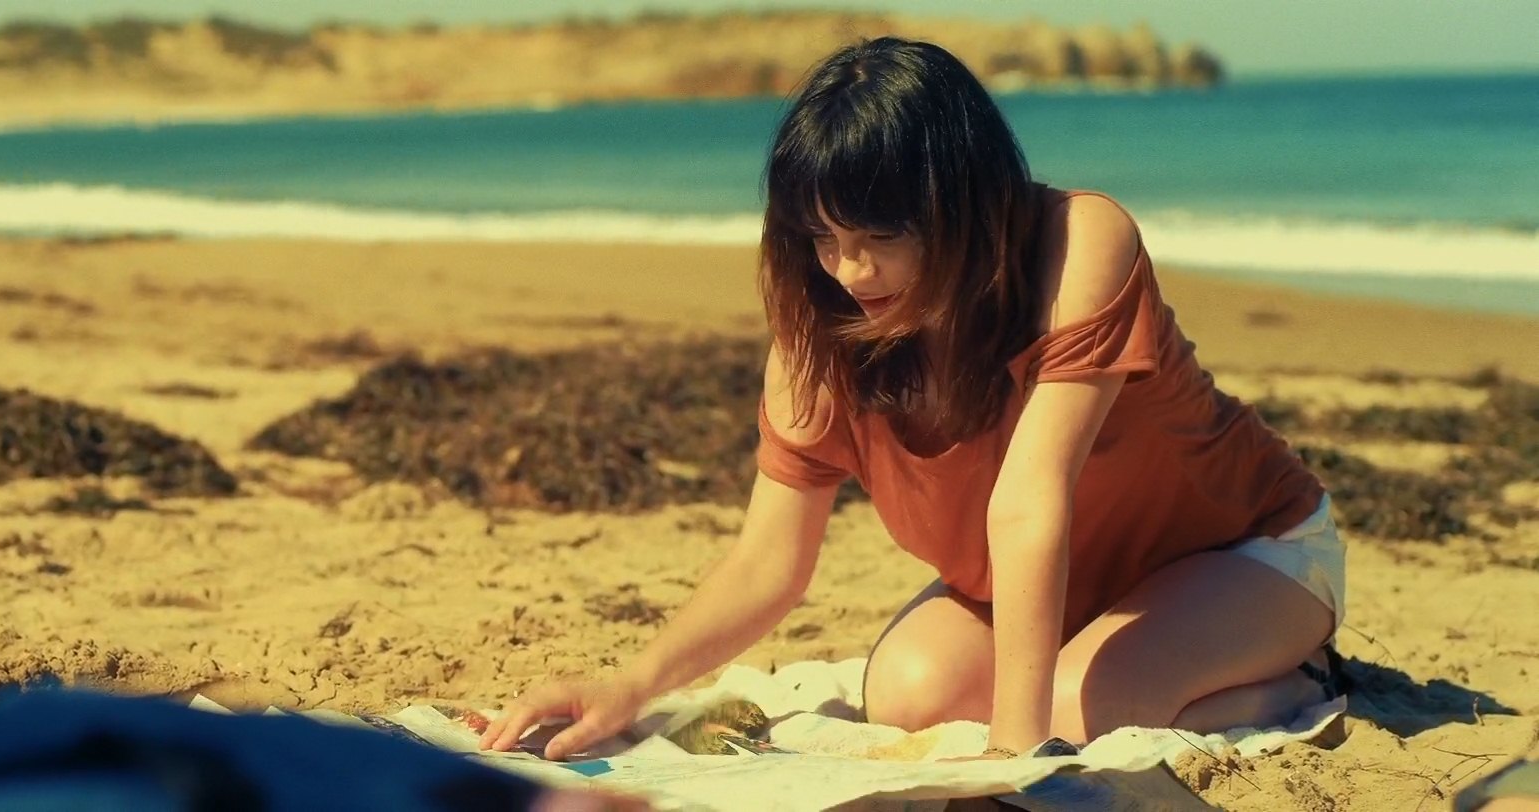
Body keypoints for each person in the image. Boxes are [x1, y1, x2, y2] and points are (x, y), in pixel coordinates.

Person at [479, 36, 1347, 762]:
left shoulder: (1078, 243)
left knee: (1070, 712)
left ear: (964, 204)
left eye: (881, 236)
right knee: (905, 695)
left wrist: (1016, 755)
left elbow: (1030, 500)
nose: (851, 271)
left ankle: (1299, 681)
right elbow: (768, 564)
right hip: (1062, 589)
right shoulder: (818, 346)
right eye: (823, 238)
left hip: (1244, 552)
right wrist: (627, 686)